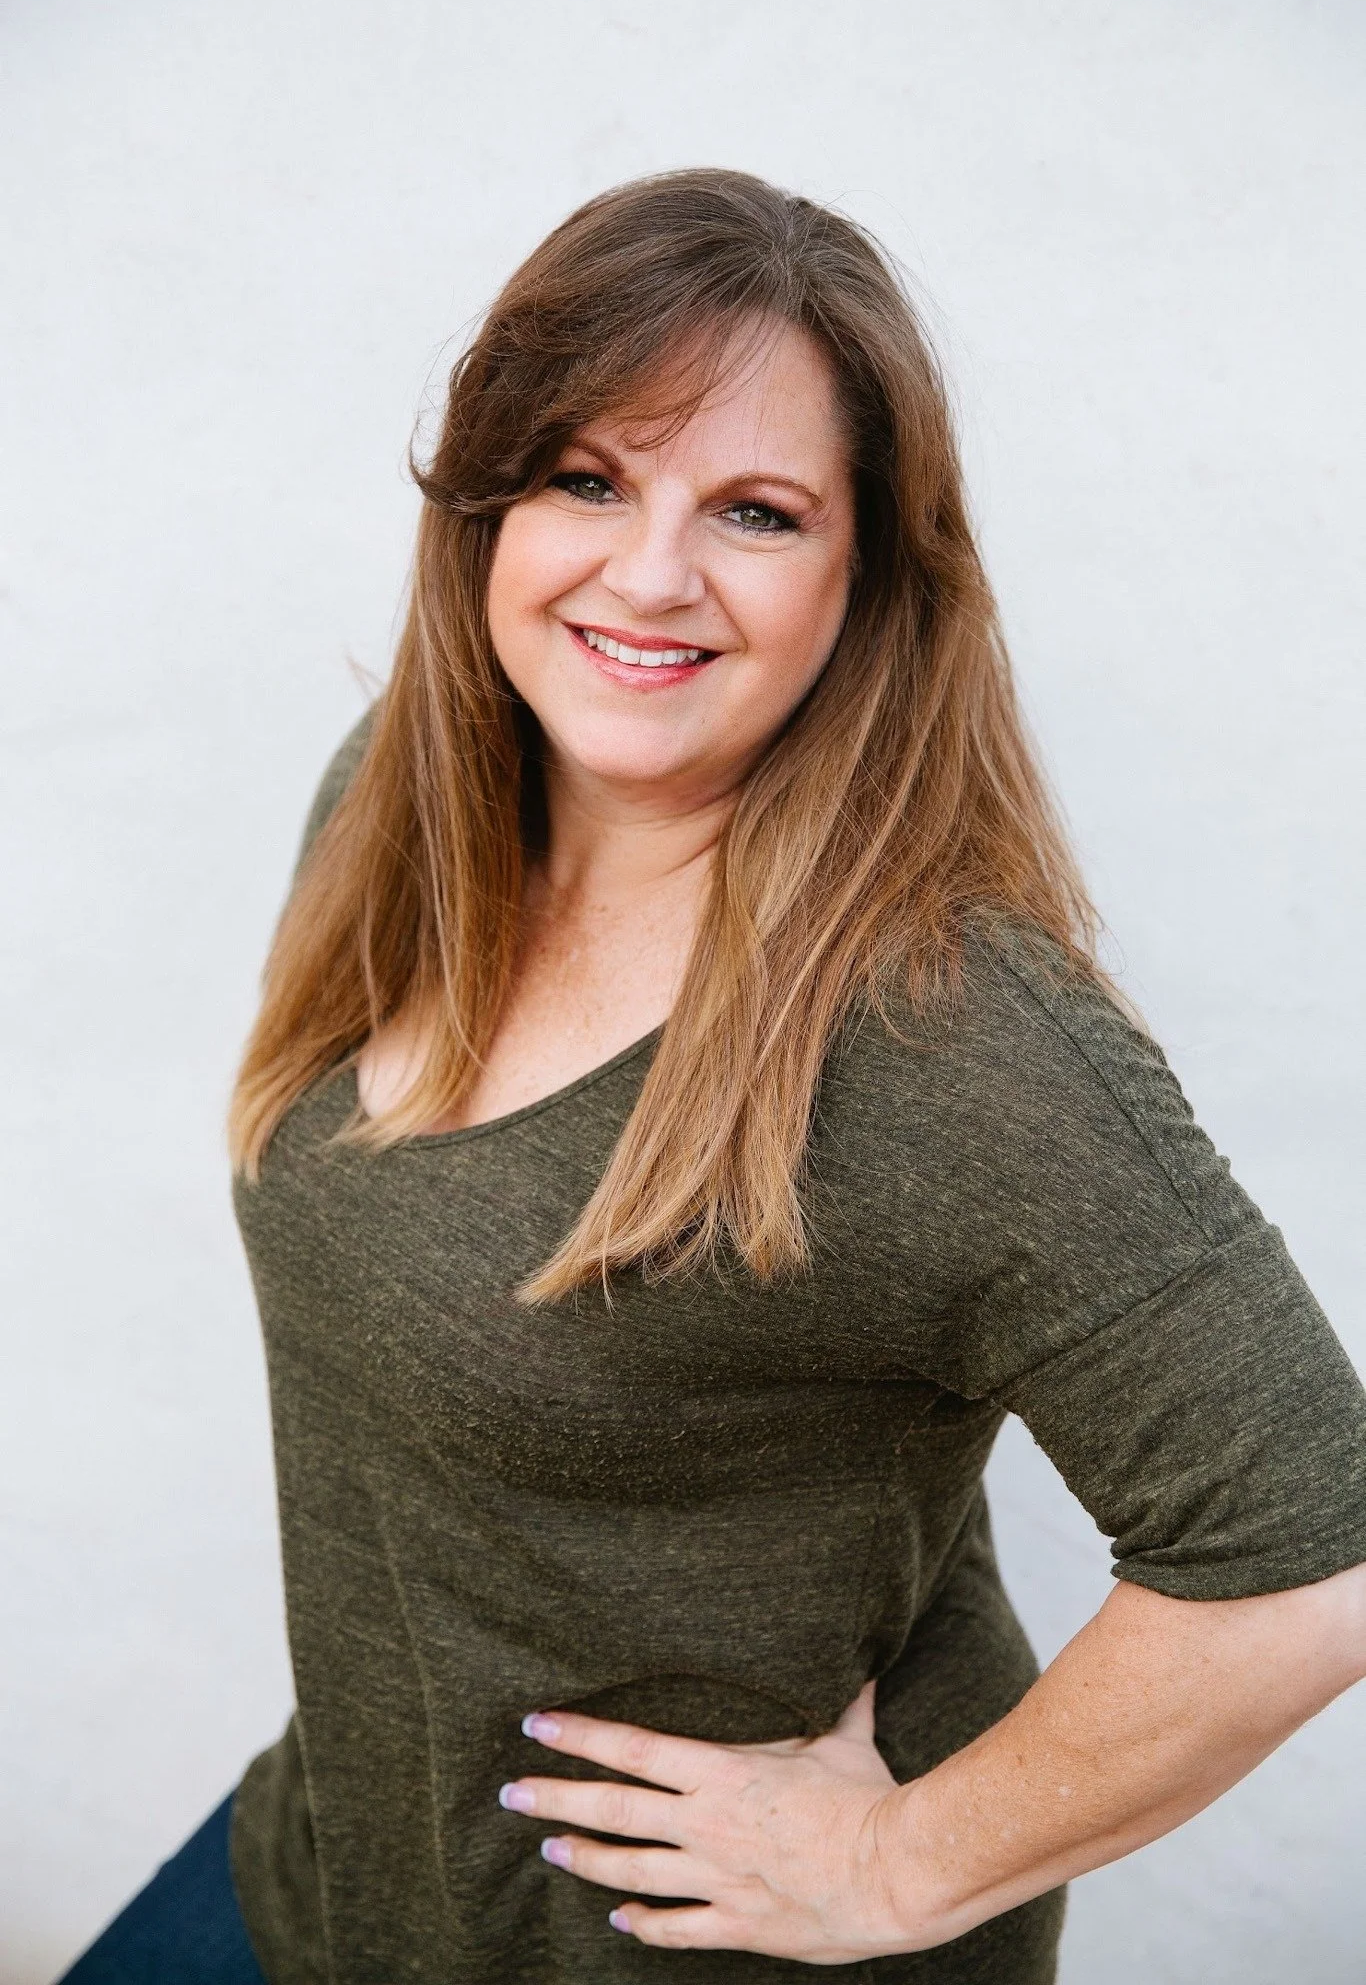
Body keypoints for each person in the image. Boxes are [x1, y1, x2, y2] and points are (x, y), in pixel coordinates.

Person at [61, 168, 1366, 1985]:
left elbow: (1310, 1558)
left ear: (868, 577)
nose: (647, 573)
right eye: (589, 479)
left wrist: (898, 1867)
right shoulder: (407, 806)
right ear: (486, 506)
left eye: (753, 511)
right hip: (334, 1872)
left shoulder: (946, 1032)